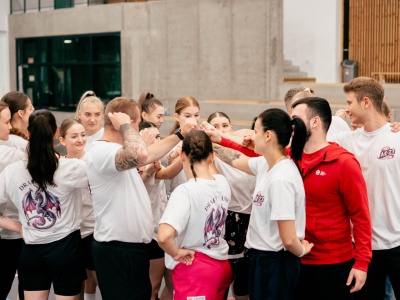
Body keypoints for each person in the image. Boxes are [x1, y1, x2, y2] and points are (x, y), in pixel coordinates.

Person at [86, 97, 196, 300]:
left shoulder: (114, 151)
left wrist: (180, 134)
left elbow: (150, 153)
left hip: (129, 250)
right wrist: (126, 126)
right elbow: (141, 155)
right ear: (131, 123)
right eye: (135, 125)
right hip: (117, 249)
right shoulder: (101, 151)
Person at [202, 108, 313, 299]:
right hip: (261, 258)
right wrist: (209, 143)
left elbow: (288, 239)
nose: (252, 136)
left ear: (268, 135)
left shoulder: (281, 178)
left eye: (256, 131)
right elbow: (238, 160)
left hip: (275, 262)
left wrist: (302, 250)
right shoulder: (266, 164)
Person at [0, 109, 88, 300]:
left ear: (29, 133)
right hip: (65, 248)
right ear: (56, 133)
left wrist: (17, 226)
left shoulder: (11, 172)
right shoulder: (71, 168)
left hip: (31, 250)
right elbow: (104, 183)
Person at [290, 97, 372, 299]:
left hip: (332, 264)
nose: (291, 125)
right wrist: (221, 140)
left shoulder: (344, 163)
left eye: (296, 119)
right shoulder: (290, 156)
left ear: (314, 122)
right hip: (295, 259)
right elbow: (253, 158)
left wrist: (362, 263)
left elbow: (361, 216)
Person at [331, 76, 400, 299]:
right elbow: (313, 139)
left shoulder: (397, 138)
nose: (347, 108)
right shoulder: (347, 140)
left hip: (397, 242)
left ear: (366, 102)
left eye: (350, 102)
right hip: (363, 247)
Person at [158, 130, 232, 300]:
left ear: (182, 157)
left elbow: (163, 236)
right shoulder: (222, 182)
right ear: (212, 157)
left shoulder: (185, 191)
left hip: (196, 267)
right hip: (221, 262)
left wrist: (175, 252)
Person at [208, 112, 256, 300]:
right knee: (225, 276)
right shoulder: (212, 154)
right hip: (229, 219)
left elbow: (249, 131)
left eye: (225, 125)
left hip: (253, 217)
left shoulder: (243, 146)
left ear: (232, 128)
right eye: (216, 126)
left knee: (245, 282)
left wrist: (220, 136)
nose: (220, 130)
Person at [137, 121, 183, 300]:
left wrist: (182, 156)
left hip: (160, 227)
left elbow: (168, 173)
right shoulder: (134, 164)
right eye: (153, 137)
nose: (158, 140)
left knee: (171, 285)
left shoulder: (156, 162)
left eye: (159, 136)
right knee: (152, 286)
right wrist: (147, 172)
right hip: (147, 232)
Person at [58, 118, 98, 300]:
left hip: (93, 229)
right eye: (74, 136)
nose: (80, 139)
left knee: (96, 278)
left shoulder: (93, 161)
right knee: (75, 286)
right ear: (62, 140)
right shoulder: (58, 165)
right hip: (70, 233)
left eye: (83, 135)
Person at [0, 101, 26, 300]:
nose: (10, 127)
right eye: (7, 122)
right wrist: (17, 227)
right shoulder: (7, 154)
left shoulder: (9, 151)